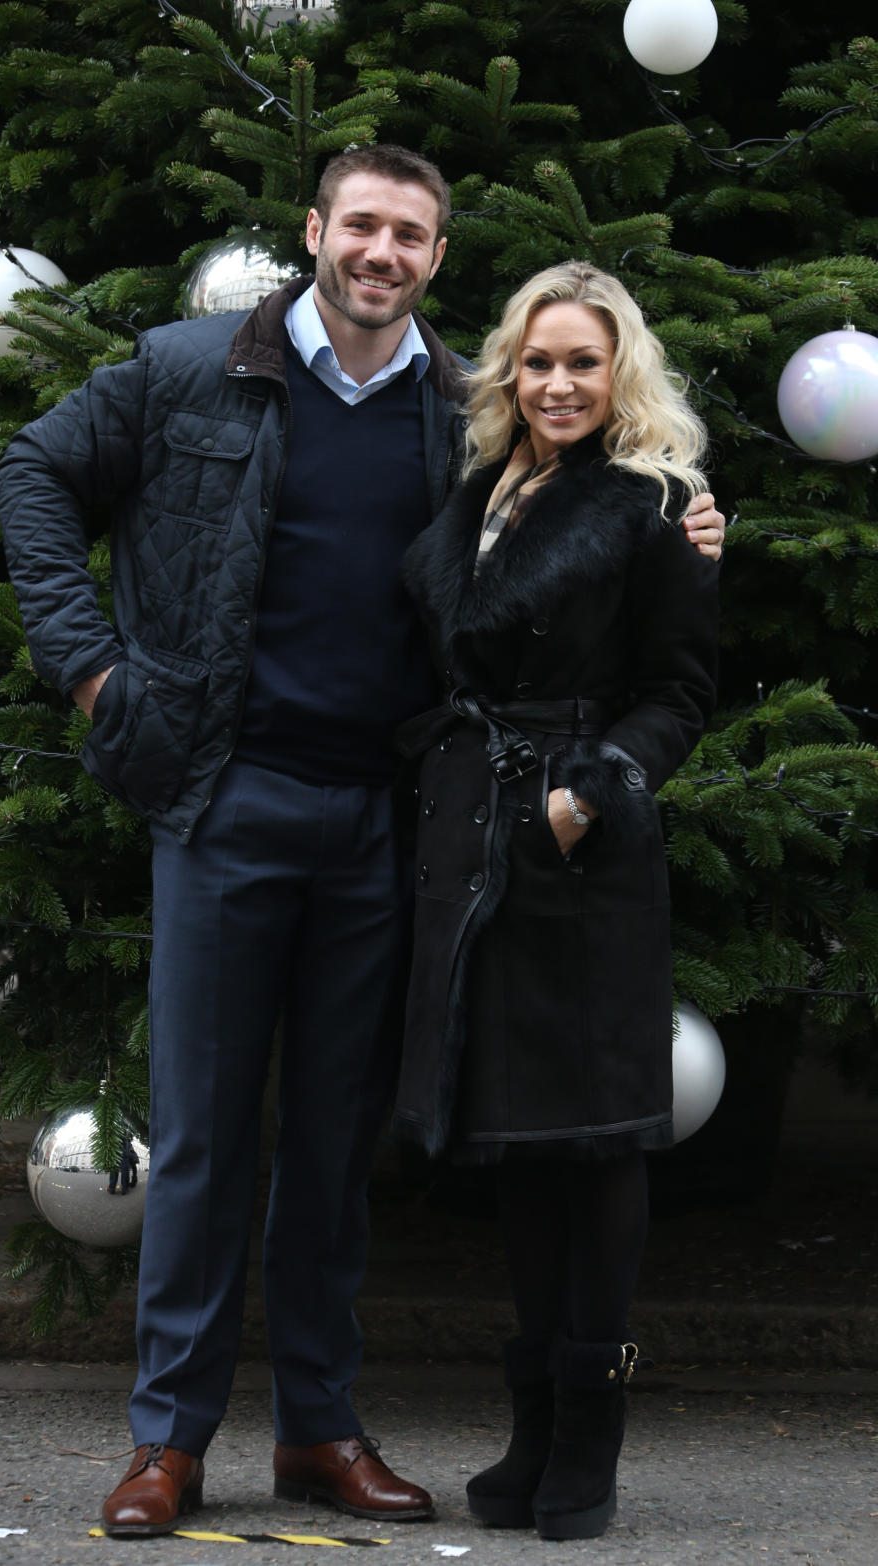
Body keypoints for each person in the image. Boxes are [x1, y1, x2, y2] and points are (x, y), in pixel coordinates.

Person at [0, 147, 724, 1539]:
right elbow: (33, 470)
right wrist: (94, 671)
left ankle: (320, 1428)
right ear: (316, 232)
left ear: (438, 258)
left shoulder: (460, 411)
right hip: (224, 798)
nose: (384, 250)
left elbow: (583, 511)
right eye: (364, 225)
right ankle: (171, 1439)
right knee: (206, 1137)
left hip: (385, 823)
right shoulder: (189, 365)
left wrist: (690, 515)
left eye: (414, 233)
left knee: (334, 1146)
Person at [392, 261, 721, 1541]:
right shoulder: (482, 492)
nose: (559, 383)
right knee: (519, 1143)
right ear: (509, 373)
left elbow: (681, 693)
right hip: (477, 839)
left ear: (619, 369)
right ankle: (532, 1422)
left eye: (583, 362)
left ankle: (592, 1429)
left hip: (584, 847)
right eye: (538, 361)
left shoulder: (656, 504)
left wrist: (589, 792)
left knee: (596, 1141)